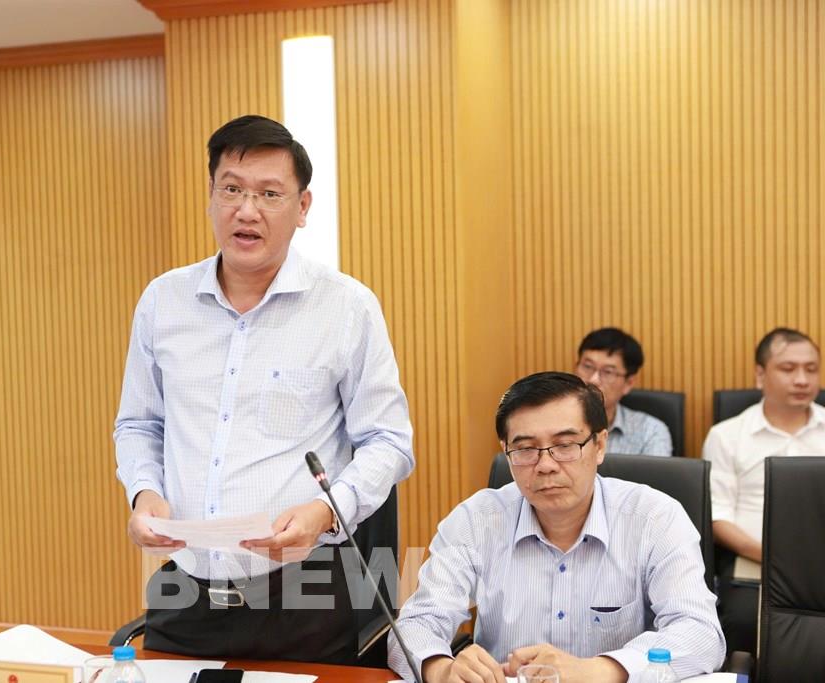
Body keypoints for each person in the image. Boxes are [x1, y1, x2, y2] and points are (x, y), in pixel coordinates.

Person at [113, 115, 414, 664]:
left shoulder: (345, 307)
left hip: (306, 600)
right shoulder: (163, 301)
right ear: (210, 195)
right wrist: (144, 492)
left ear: (302, 207)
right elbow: (139, 424)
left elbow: (389, 442)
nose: (247, 210)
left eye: (270, 194)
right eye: (231, 189)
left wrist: (326, 510)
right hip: (188, 594)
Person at [388, 372, 724, 683]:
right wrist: (440, 669)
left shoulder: (654, 518)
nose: (545, 465)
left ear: (600, 446)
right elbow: (416, 623)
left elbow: (700, 632)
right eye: (525, 449)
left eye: (565, 445)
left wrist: (598, 669)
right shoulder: (474, 521)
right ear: (507, 452)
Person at [703, 327, 824, 655]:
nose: (802, 380)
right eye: (788, 369)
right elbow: (717, 517)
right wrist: (774, 555)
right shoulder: (727, 436)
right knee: (743, 621)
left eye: (811, 369)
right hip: (753, 561)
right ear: (760, 375)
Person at [573, 327, 672, 456]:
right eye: (587, 366)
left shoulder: (650, 431)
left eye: (608, 372)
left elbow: (655, 470)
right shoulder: (553, 420)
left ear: (628, 383)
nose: (594, 380)